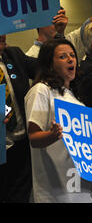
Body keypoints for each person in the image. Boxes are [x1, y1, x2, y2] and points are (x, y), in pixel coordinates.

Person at [24, 38, 92, 202]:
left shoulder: (74, 98)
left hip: (81, 188)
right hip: (55, 191)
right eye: (63, 56)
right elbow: (33, 138)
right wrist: (52, 135)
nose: (70, 59)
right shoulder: (41, 90)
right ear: (49, 64)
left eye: (72, 55)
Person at [0, 34, 37, 202]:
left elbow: (44, 67)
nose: (3, 35)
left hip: (22, 143)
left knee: (20, 195)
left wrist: (56, 36)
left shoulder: (13, 54)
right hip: (2, 144)